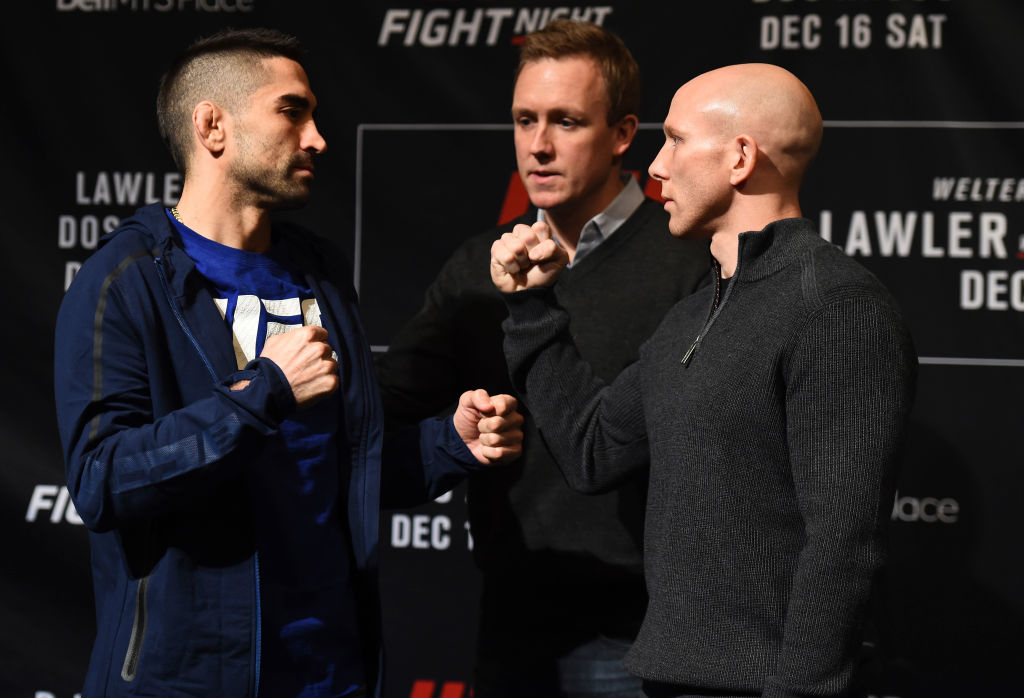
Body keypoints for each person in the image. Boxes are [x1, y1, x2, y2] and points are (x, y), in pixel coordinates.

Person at [53, 27, 523, 698]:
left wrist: (450, 443)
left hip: (332, 672)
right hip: (190, 680)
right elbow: (104, 481)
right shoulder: (125, 282)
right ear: (212, 125)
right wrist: (263, 392)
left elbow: (336, 467)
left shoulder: (319, 275)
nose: (317, 139)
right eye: (292, 111)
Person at [490, 63, 917, 698]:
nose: (655, 166)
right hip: (670, 677)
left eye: (677, 140)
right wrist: (531, 310)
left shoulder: (835, 304)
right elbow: (593, 450)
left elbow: (843, 540)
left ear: (741, 156)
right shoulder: (694, 315)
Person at [375, 19, 709, 698]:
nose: (539, 145)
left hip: (644, 629)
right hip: (512, 615)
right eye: (525, 120)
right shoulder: (479, 265)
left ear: (621, 134)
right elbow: (389, 402)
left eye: (566, 121)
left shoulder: (687, 261)